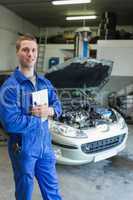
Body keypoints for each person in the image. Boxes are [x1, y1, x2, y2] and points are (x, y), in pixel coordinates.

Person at [0, 34, 62, 200]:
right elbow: (10, 123)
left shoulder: (44, 82)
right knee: (24, 193)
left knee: (53, 192)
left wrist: (49, 111)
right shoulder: (11, 87)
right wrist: (38, 119)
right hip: (23, 149)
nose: (31, 54)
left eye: (34, 50)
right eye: (26, 49)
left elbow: (58, 105)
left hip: (45, 147)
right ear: (18, 53)